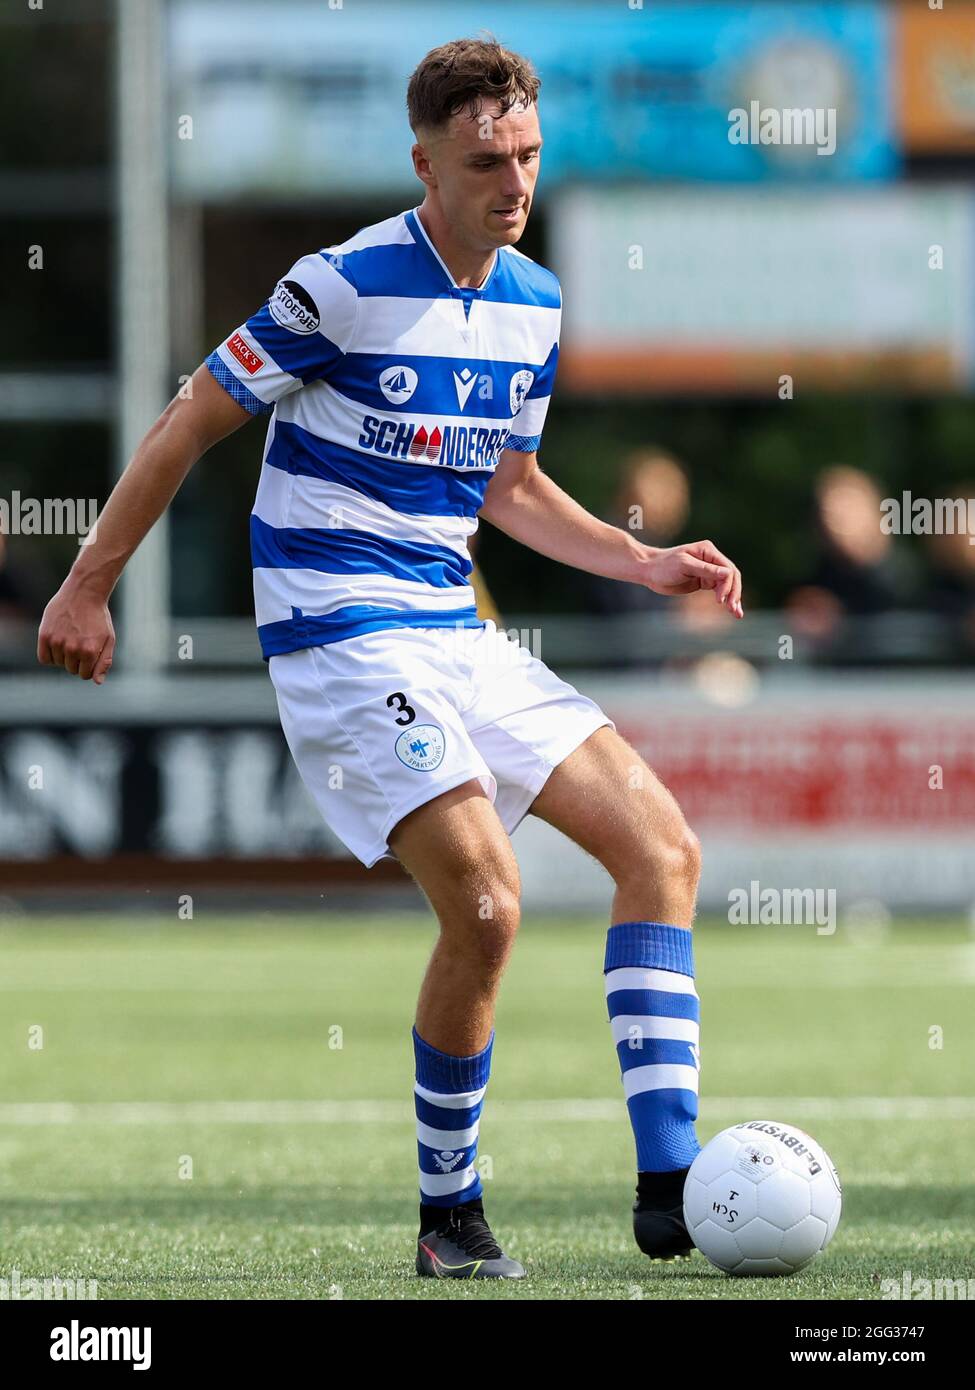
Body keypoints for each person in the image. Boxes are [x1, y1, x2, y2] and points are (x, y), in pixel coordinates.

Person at [37, 37, 743, 1280]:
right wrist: (89, 583)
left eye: (526, 154)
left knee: (662, 848)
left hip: (453, 627)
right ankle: (450, 1215)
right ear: (426, 160)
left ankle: (673, 1186)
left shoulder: (533, 301)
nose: (513, 182)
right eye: (485, 161)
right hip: (338, 632)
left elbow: (510, 486)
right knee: (487, 904)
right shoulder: (343, 282)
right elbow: (190, 420)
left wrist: (642, 563)